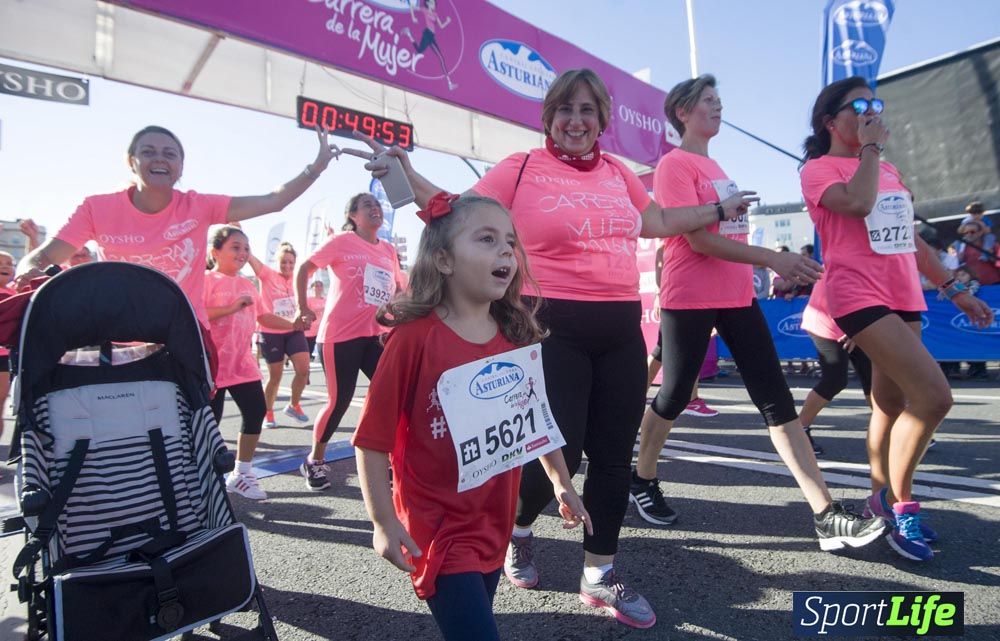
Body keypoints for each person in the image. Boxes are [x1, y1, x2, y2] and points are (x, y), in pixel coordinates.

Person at [346, 68, 757, 629]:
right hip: (546, 322)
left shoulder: (618, 172)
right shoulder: (521, 166)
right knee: (550, 442)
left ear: (602, 119)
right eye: (566, 109)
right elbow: (459, 212)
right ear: (549, 117)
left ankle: (599, 571)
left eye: (588, 110)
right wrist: (406, 173)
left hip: (619, 325)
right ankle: (517, 530)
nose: (576, 120)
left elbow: (658, 220)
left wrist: (717, 211)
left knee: (612, 454)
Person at [631, 75, 888, 554]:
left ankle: (826, 514)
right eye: (708, 101)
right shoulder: (675, 164)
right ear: (683, 112)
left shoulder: (715, 166)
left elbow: (726, 235)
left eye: (719, 100)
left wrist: (758, 262)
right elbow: (698, 241)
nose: (719, 107)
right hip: (691, 296)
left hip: (736, 295)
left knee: (775, 399)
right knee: (674, 393)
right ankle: (642, 479)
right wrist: (772, 259)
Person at [353, 194, 590, 641]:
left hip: (495, 519)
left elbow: (534, 421)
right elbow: (371, 440)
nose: (506, 251)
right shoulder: (413, 339)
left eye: (510, 242)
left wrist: (561, 481)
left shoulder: (513, 337)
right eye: (486, 239)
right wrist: (382, 521)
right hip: (440, 527)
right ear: (443, 259)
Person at [800, 76, 994, 561]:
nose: (871, 111)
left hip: (904, 293)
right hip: (857, 293)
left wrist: (953, 289)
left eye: (875, 103)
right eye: (859, 106)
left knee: (888, 403)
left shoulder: (888, 169)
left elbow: (912, 238)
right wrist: (869, 150)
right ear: (830, 121)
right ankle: (900, 504)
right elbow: (858, 203)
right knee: (934, 397)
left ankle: (877, 498)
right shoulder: (819, 169)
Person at [14, 124, 340, 326]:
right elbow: (45, 257)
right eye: (148, 152)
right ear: (131, 162)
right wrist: (28, 270)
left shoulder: (199, 206)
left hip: (182, 333)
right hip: (117, 334)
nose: (160, 158)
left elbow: (273, 200)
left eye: (170, 154)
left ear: (181, 166)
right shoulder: (96, 208)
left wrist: (317, 167)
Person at [294, 193, 406, 491]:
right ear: (352, 216)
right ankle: (315, 460)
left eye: (377, 204)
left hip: (376, 335)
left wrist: (401, 314)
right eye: (367, 205)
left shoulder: (388, 250)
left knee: (393, 397)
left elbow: (398, 289)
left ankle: (392, 461)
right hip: (339, 335)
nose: (375, 208)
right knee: (340, 400)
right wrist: (302, 307)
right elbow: (305, 268)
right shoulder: (342, 241)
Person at [204, 226, 277, 500]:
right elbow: (196, 315)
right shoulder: (205, 280)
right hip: (211, 364)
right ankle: (206, 478)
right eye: (235, 247)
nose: (243, 253)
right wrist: (232, 307)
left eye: (246, 248)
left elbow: (264, 317)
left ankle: (242, 473)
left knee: (255, 410)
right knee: (211, 423)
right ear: (215, 252)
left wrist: (293, 324)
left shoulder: (247, 284)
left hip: (242, 363)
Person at [798, 278, 873, 456]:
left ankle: (896, 427)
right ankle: (799, 430)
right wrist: (856, 327)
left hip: (857, 322)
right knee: (834, 380)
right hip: (827, 322)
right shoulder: (846, 264)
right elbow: (838, 292)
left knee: (873, 379)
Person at [248, 243, 312, 428]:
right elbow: (249, 256)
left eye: (291, 262)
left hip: (294, 331)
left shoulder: (298, 277)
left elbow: (322, 263)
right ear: (277, 262)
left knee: (303, 370)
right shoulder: (267, 274)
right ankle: (268, 413)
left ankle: (293, 405)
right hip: (271, 332)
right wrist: (239, 232)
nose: (287, 266)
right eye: (284, 262)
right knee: (275, 376)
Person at [305, 280, 326, 360]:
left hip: (322, 329)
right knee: (308, 350)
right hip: (310, 329)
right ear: (312, 288)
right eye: (316, 286)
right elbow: (305, 312)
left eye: (320, 285)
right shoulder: (309, 300)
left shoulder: (326, 300)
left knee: (323, 351)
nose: (319, 287)